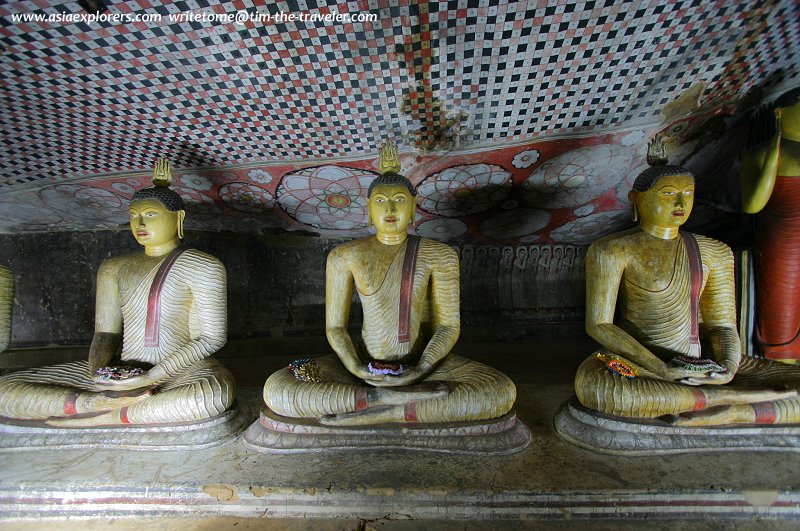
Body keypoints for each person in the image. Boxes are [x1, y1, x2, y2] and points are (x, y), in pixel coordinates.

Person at [263, 143, 516, 426]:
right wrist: (354, 366)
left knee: (500, 389)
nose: (391, 208)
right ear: (369, 210)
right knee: (278, 388)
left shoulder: (439, 255)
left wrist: (422, 366)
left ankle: (384, 412)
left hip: (425, 365)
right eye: (381, 201)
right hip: (361, 364)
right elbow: (335, 327)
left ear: (413, 209)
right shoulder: (344, 256)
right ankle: (382, 400)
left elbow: (448, 326)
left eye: (399, 199)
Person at [576, 137, 800, 426]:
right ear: (636, 200)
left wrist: (729, 367)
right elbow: (599, 324)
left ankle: (731, 409)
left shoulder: (714, 252)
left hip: (703, 361)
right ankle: (733, 402)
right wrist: (661, 368)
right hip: (645, 365)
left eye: (688, 193)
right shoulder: (612, 250)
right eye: (668, 194)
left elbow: (722, 325)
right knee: (597, 386)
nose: (680, 203)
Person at [0, 159, 235, 427]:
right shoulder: (114, 267)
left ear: (178, 218)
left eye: (150, 214)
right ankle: (94, 404)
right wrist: (99, 373)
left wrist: (151, 376)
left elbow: (210, 338)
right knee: (5, 387)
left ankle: (102, 416)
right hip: (121, 367)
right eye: (134, 215)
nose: (140, 223)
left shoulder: (203, 265)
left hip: (181, 371)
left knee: (212, 395)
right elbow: (105, 333)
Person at [741, 87, 800, 361]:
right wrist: (772, 159)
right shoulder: (758, 155)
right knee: (782, 306)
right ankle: (783, 367)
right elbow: (752, 205)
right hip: (784, 243)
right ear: (781, 113)